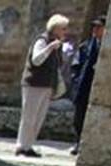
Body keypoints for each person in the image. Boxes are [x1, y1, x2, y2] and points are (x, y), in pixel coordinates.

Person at [16, 14, 70, 158]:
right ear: (55, 28)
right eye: (63, 29)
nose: (65, 31)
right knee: (29, 116)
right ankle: (21, 147)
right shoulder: (42, 40)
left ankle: (29, 145)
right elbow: (36, 60)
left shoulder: (57, 44)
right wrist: (50, 48)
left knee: (38, 117)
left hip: (47, 85)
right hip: (34, 84)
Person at [70, 16, 106, 155]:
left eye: (99, 27)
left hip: (100, 88)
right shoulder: (85, 46)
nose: (95, 30)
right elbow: (76, 65)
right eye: (94, 27)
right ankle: (79, 141)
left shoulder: (109, 48)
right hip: (84, 86)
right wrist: (76, 79)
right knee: (79, 117)